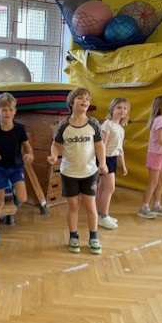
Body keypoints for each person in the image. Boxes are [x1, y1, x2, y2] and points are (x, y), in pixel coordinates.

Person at [47, 87, 107, 254]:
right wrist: (54, 156)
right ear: (71, 102)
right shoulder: (64, 125)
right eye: (80, 98)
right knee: (73, 205)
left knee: (90, 205)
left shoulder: (93, 124)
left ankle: (93, 237)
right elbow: (56, 145)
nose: (84, 101)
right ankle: (73, 236)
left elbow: (99, 146)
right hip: (69, 173)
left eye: (87, 98)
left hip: (90, 172)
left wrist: (102, 163)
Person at [0, 92, 34, 246]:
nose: (7, 113)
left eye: (10, 110)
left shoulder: (20, 129)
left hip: (16, 167)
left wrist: (30, 154)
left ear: (15, 111)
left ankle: (15, 193)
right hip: (0, 168)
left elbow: (27, 146)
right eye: (4, 110)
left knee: (23, 198)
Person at [96, 97, 129, 230]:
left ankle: (100, 214)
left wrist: (123, 165)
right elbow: (102, 145)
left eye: (125, 108)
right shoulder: (107, 125)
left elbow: (120, 149)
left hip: (113, 159)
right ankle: (103, 216)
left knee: (103, 188)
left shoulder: (121, 129)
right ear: (112, 109)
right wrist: (102, 163)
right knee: (110, 188)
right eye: (119, 107)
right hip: (105, 158)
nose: (122, 110)